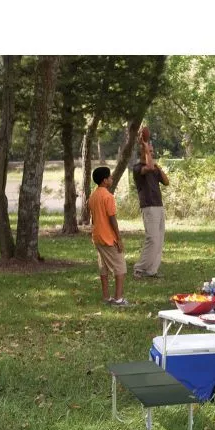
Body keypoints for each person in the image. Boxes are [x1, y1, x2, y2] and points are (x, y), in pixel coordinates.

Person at [88, 166, 129, 306]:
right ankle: (118, 299)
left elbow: (93, 218)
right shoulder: (108, 196)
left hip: (97, 236)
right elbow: (112, 219)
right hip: (108, 238)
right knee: (120, 267)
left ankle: (106, 297)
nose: (112, 179)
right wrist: (119, 239)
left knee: (104, 267)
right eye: (110, 177)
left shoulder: (93, 196)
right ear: (105, 180)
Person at [132, 129, 169, 279]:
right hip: (149, 207)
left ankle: (152, 270)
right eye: (149, 151)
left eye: (152, 152)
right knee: (152, 238)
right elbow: (148, 167)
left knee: (159, 239)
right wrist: (145, 145)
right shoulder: (137, 168)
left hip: (158, 205)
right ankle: (139, 268)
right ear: (143, 152)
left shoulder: (154, 168)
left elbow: (166, 182)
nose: (151, 154)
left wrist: (159, 167)